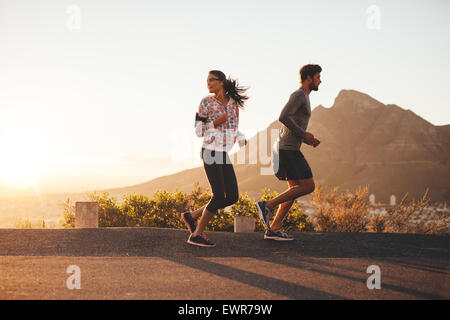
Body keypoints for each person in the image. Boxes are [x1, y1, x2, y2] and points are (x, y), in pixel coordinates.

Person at [181, 70, 248, 247]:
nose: (208, 83)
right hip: (210, 151)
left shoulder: (233, 104)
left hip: (223, 153)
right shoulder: (205, 102)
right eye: (207, 80)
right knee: (219, 195)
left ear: (222, 82)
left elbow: (233, 127)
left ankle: (192, 216)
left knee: (232, 196)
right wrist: (215, 122)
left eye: (212, 80)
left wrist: (240, 137)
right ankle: (196, 235)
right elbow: (198, 131)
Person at [255, 64, 322, 240]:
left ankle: (274, 229)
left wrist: (308, 139)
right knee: (308, 186)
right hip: (287, 149)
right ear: (308, 78)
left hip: (286, 147)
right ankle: (267, 205)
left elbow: (293, 124)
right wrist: (303, 134)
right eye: (317, 77)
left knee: (293, 191)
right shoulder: (299, 94)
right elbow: (283, 116)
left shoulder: (304, 97)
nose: (320, 81)